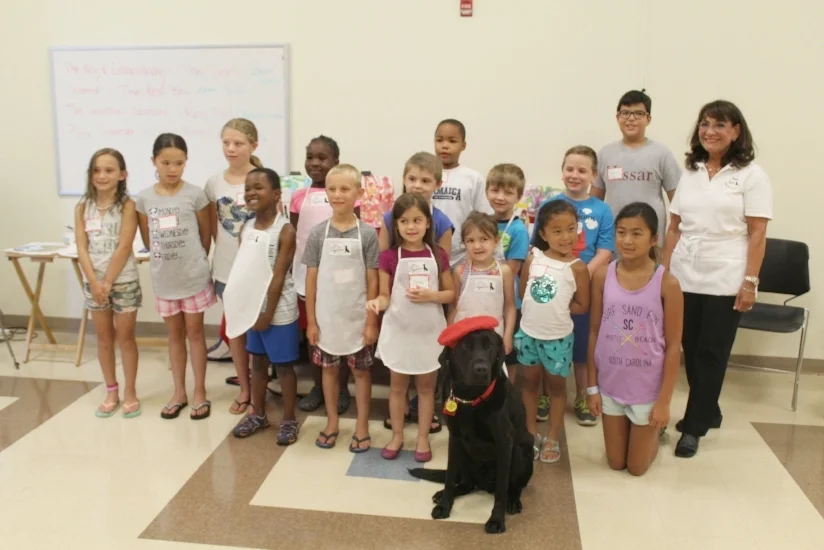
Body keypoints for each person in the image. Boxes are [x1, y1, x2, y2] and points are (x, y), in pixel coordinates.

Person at [662, 100, 772, 458]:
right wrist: (663, 274)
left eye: (720, 125)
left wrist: (750, 282)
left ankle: (694, 426)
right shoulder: (690, 171)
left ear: (736, 131)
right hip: (684, 272)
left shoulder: (752, 175)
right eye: (705, 124)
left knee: (712, 352)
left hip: (726, 274)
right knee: (689, 349)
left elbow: (757, 233)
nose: (710, 131)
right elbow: (674, 227)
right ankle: (711, 408)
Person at [587, 202, 683, 475]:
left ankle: (654, 432)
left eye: (637, 233)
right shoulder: (604, 275)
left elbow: (674, 345)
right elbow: (594, 331)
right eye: (621, 232)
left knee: (637, 468)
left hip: (646, 390)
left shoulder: (668, 283)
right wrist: (592, 388)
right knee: (616, 463)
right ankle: (633, 428)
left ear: (654, 239)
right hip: (611, 385)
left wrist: (663, 402)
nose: (627, 240)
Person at [368, 193, 455, 463]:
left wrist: (432, 296)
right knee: (397, 388)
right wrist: (376, 303)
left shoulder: (438, 255)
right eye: (404, 221)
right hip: (400, 330)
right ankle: (396, 435)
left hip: (428, 332)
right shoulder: (388, 258)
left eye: (417, 220)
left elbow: (451, 294)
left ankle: (422, 438)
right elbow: (385, 295)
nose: (411, 226)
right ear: (396, 225)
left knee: (427, 389)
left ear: (428, 223)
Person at [532, 146, 614, 426]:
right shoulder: (548, 205)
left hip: (583, 285)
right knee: (546, 339)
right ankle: (544, 395)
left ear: (594, 174)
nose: (574, 175)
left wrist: (579, 276)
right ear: (562, 171)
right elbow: (538, 246)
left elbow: (605, 250)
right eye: (570, 169)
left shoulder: (602, 210)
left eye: (582, 170)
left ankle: (582, 395)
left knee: (581, 345)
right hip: (550, 286)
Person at [136, 133, 215, 420]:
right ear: (154, 161)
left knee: (195, 334)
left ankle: (199, 393)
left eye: (178, 163)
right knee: (174, 337)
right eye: (165, 162)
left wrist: (194, 262)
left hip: (193, 278)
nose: (172, 169)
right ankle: (179, 392)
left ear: (186, 162)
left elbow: (205, 237)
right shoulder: (144, 198)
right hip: (164, 280)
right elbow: (148, 238)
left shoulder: (195, 194)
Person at [304, 164, 380, 452]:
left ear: (358, 193)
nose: (338, 194)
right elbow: (311, 281)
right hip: (326, 319)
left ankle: (362, 424)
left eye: (345, 189)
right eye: (332, 188)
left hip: (357, 318)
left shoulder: (368, 234)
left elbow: (372, 280)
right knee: (329, 372)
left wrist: (371, 322)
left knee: (361, 373)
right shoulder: (317, 233)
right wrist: (311, 321)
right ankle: (332, 421)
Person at [379, 152, 453, 434]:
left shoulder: (441, 229)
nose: (418, 185)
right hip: (399, 321)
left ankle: (423, 430)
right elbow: (382, 266)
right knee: (397, 382)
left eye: (425, 180)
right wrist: (379, 300)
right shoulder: (389, 230)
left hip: (428, 323)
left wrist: (433, 297)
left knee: (426, 383)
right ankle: (398, 428)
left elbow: (448, 287)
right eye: (412, 178)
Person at [230, 168, 301, 444]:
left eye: (258, 187)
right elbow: (244, 272)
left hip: (278, 310)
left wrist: (266, 313)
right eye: (248, 188)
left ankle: (289, 420)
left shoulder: (285, 230)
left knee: (283, 367)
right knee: (257, 362)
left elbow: (279, 275)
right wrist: (246, 308)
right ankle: (258, 413)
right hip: (253, 310)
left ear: (275, 194)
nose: (251, 193)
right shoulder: (246, 228)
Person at [517, 200, 590, 464]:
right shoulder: (533, 259)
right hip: (528, 334)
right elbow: (522, 291)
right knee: (529, 384)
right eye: (557, 231)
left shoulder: (577, 268)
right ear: (543, 233)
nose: (566, 236)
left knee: (557, 389)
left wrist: (558, 304)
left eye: (571, 229)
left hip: (558, 338)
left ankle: (553, 437)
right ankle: (529, 432)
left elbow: (583, 305)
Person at [74, 148, 142, 418]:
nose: (102, 175)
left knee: (125, 338)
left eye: (109, 170)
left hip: (123, 281)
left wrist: (109, 281)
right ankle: (111, 390)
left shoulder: (128, 206)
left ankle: (130, 392)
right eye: (97, 170)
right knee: (103, 339)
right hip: (94, 285)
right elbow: (81, 247)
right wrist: (94, 281)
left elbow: (125, 245)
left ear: (122, 175)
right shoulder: (82, 208)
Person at [291, 136, 354, 415]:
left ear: (336, 162)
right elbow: (296, 238)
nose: (315, 163)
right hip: (307, 279)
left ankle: (341, 388)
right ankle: (318, 386)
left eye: (322, 158)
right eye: (310, 157)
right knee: (313, 335)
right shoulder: (298, 197)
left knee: (340, 335)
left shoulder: (345, 195)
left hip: (340, 282)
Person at [204, 118, 263, 413]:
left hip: (258, 272)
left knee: (258, 331)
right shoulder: (214, 183)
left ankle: (261, 386)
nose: (231, 148)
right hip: (227, 270)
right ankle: (244, 389)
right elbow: (210, 229)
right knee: (236, 332)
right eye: (226, 142)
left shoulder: (264, 179)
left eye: (238, 143)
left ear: (253, 146)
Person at [591, 90, 681, 246]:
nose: (631, 119)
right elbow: (594, 202)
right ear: (617, 117)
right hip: (612, 240)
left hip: (650, 242)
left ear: (648, 119)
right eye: (625, 113)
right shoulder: (605, 153)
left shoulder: (661, 153)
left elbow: (679, 202)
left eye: (638, 113)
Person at [448, 212, 516, 363]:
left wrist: (507, 335)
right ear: (464, 243)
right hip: (463, 339)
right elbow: (453, 307)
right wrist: (449, 335)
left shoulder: (503, 271)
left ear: (496, 240)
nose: (477, 246)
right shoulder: (460, 271)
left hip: (493, 339)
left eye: (484, 239)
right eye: (470, 240)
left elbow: (510, 306)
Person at [486, 163, 530, 382]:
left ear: (518, 196)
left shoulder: (518, 229)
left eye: (508, 192)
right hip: (484, 297)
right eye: (495, 190)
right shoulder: (483, 223)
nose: (500, 197)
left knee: (507, 356)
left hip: (509, 301)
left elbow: (511, 270)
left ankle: (507, 397)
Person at [431, 119, 492, 268]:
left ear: (463, 145)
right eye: (439, 140)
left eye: (452, 141)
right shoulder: (425, 176)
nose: (445, 145)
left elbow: (484, 218)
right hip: (428, 253)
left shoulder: (473, 178)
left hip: (463, 257)